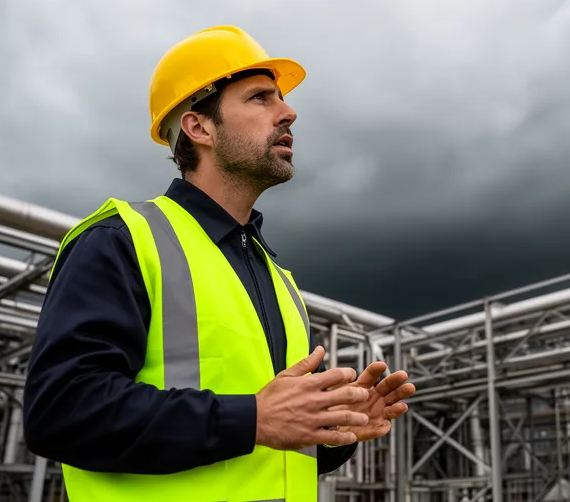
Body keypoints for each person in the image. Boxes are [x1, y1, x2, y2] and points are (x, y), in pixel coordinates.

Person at [22, 25, 415, 501]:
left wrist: (337, 429)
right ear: (199, 127)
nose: (288, 113)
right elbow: (61, 411)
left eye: (281, 100)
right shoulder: (121, 241)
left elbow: (272, 444)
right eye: (260, 98)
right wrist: (251, 418)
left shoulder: (279, 280)